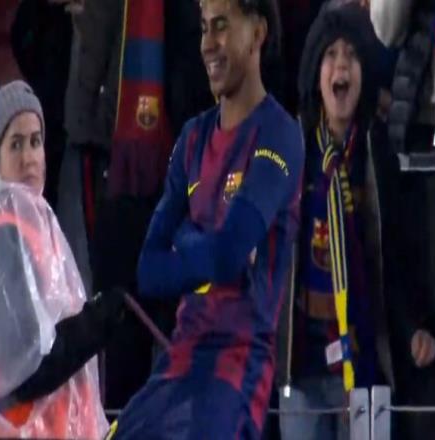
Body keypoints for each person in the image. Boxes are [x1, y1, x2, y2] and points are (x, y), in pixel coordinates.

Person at [107, 0, 303, 438]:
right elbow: (148, 270)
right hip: (179, 358)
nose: (208, 44)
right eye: (203, 28)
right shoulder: (192, 138)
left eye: (221, 26)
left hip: (237, 367)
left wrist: (186, 239)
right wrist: (211, 249)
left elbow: (227, 254)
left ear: (257, 34)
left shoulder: (279, 134)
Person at [276, 3, 435, 440]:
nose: (341, 65)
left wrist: (415, 327)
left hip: (367, 365)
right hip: (302, 369)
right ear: (316, 73)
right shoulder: (290, 151)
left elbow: (400, 256)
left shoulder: (377, 154)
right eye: (330, 55)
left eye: (351, 55)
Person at [0, 80, 124, 437]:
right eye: (15, 144)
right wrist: (96, 323)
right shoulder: (0, 236)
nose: (29, 157)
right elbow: (25, 367)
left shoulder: (31, 224)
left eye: (35, 141)